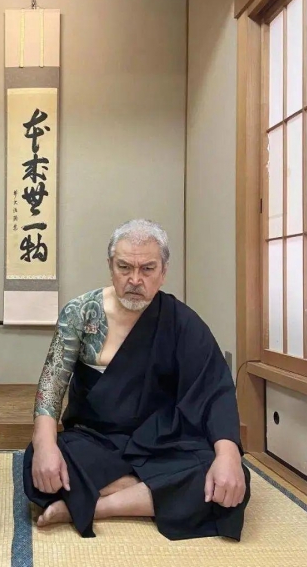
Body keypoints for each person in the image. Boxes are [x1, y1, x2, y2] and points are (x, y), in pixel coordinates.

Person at [23, 219, 250, 540]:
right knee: (38, 460)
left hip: (163, 441)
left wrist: (228, 456)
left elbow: (215, 391)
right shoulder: (81, 313)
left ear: (164, 271)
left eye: (147, 269)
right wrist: (45, 445)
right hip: (96, 439)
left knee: (229, 475)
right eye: (125, 267)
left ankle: (94, 506)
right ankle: (151, 490)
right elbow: (52, 385)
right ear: (110, 266)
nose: (134, 279)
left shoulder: (182, 322)